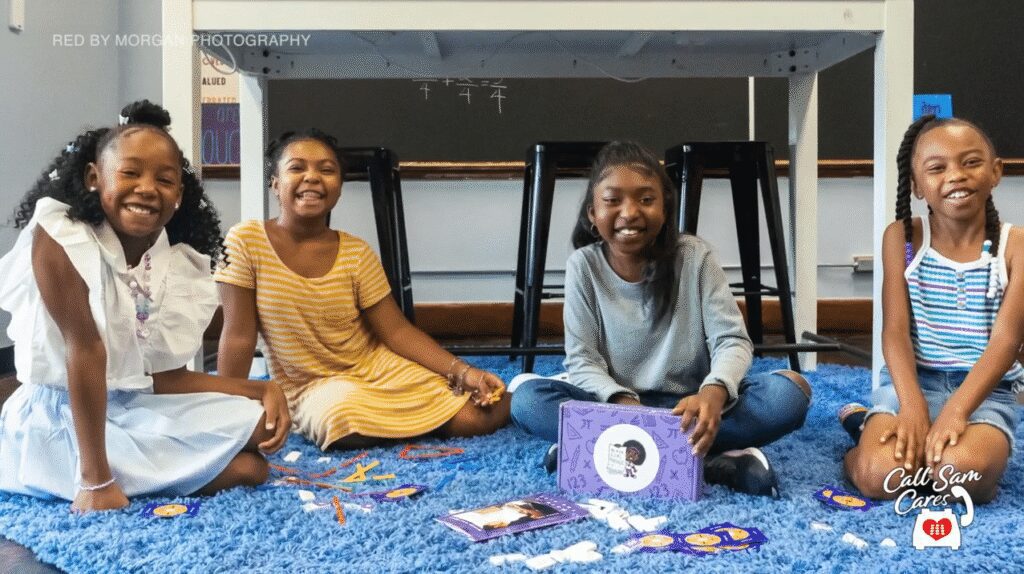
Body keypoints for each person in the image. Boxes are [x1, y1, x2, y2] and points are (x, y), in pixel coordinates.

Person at [0, 101, 290, 513]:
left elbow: (162, 377)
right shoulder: (60, 237)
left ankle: (147, 469)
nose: (147, 188)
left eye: (164, 179)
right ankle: (107, 473)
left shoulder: (172, 261)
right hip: (64, 418)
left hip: (129, 405)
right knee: (246, 470)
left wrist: (259, 388)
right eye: (130, 173)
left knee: (262, 432)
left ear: (179, 194)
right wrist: (96, 481)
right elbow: (84, 351)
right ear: (93, 179)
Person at [509, 141, 811, 496]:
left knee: (790, 393)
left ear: (666, 209)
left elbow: (731, 340)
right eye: (612, 200)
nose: (630, 212)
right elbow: (583, 360)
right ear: (592, 213)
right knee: (526, 399)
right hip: (618, 406)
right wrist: (626, 407)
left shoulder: (695, 258)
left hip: (691, 407)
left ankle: (596, 448)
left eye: (646, 199)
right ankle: (712, 461)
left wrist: (713, 393)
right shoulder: (583, 267)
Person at [215, 129, 509, 450]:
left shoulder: (356, 252)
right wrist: (227, 411)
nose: (312, 178)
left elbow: (396, 332)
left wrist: (465, 373)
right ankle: (412, 422)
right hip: (313, 388)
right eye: (297, 168)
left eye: (326, 170)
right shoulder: (245, 241)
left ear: (339, 189)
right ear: (274, 184)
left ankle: (532, 395)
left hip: (379, 369)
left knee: (473, 417)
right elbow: (238, 335)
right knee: (340, 420)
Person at [843, 116, 1023, 504]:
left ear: (995, 173)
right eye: (937, 168)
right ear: (918, 186)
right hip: (912, 385)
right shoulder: (904, 239)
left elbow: (1006, 342)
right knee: (879, 477)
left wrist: (957, 411)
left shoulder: (1016, 247)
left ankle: (936, 451)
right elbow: (894, 332)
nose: (956, 176)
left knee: (957, 476)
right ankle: (861, 440)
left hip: (985, 395)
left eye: (971, 163)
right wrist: (911, 406)